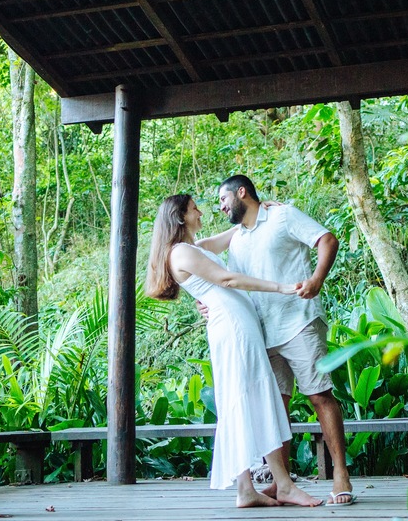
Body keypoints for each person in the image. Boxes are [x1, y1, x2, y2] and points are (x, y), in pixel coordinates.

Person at [144, 194, 322, 509]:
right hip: (234, 327)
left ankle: (246, 489)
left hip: (233, 324)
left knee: (242, 400)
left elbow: (234, 233)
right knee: (254, 397)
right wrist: (281, 287)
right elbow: (226, 279)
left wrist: (260, 208)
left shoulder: (192, 247)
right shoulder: (181, 252)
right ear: (181, 217)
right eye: (194, 208)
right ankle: (283, 485)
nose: (200, 212)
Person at [217, 174, 354, 506]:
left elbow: (327, 239)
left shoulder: (282, 216)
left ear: (241, 192)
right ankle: (284, 483)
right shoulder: (237, 240)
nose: (221, 207)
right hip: (263, 332)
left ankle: (340, 474)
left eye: (223, 199)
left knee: (319, 396)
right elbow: (232, 282)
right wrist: (209, 303)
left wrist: (317, 279)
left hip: (299, 321)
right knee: (275, 407)